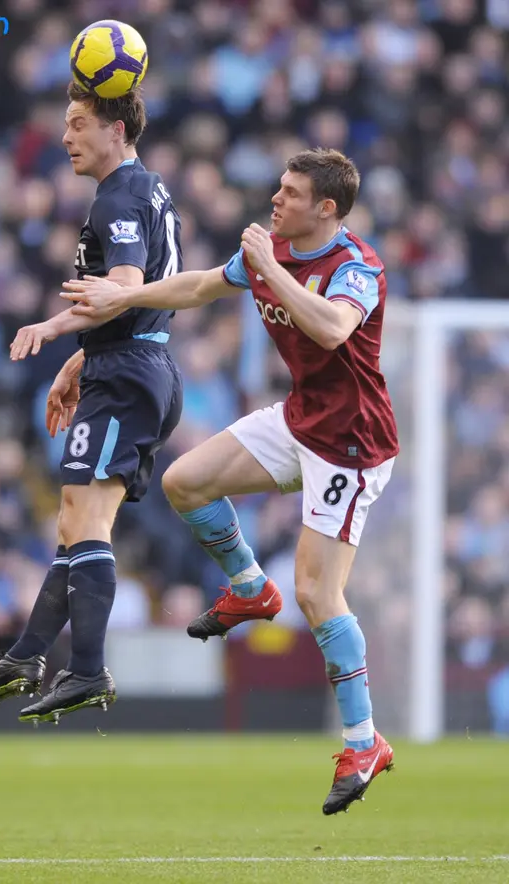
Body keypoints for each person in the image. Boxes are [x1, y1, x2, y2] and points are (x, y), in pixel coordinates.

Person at [61, 148, 399, 815]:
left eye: (290, 192)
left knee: (319, 592)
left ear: (325, 208)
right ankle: (250, 589)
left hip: (353, 445)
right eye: (277, 187)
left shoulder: (356, 267)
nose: (275, 199)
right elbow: (198, 287)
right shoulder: (268, 249)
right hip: (303, 419)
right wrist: (124, 295)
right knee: (185, 482)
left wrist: (272, 266)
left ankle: (364, 741)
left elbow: (334, 330)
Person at [0, 81, 183, 726]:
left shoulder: (119, 195)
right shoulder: (150, 190)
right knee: (74, 524)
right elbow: (140, 302)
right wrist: (81, 358)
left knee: (84, 522)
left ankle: (86, 670)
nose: (66, 137)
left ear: (116, 129)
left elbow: (125, 286)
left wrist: (51, 330)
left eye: (79, 123)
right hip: (134, 364)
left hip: (128, 375)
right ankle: (29, 654)